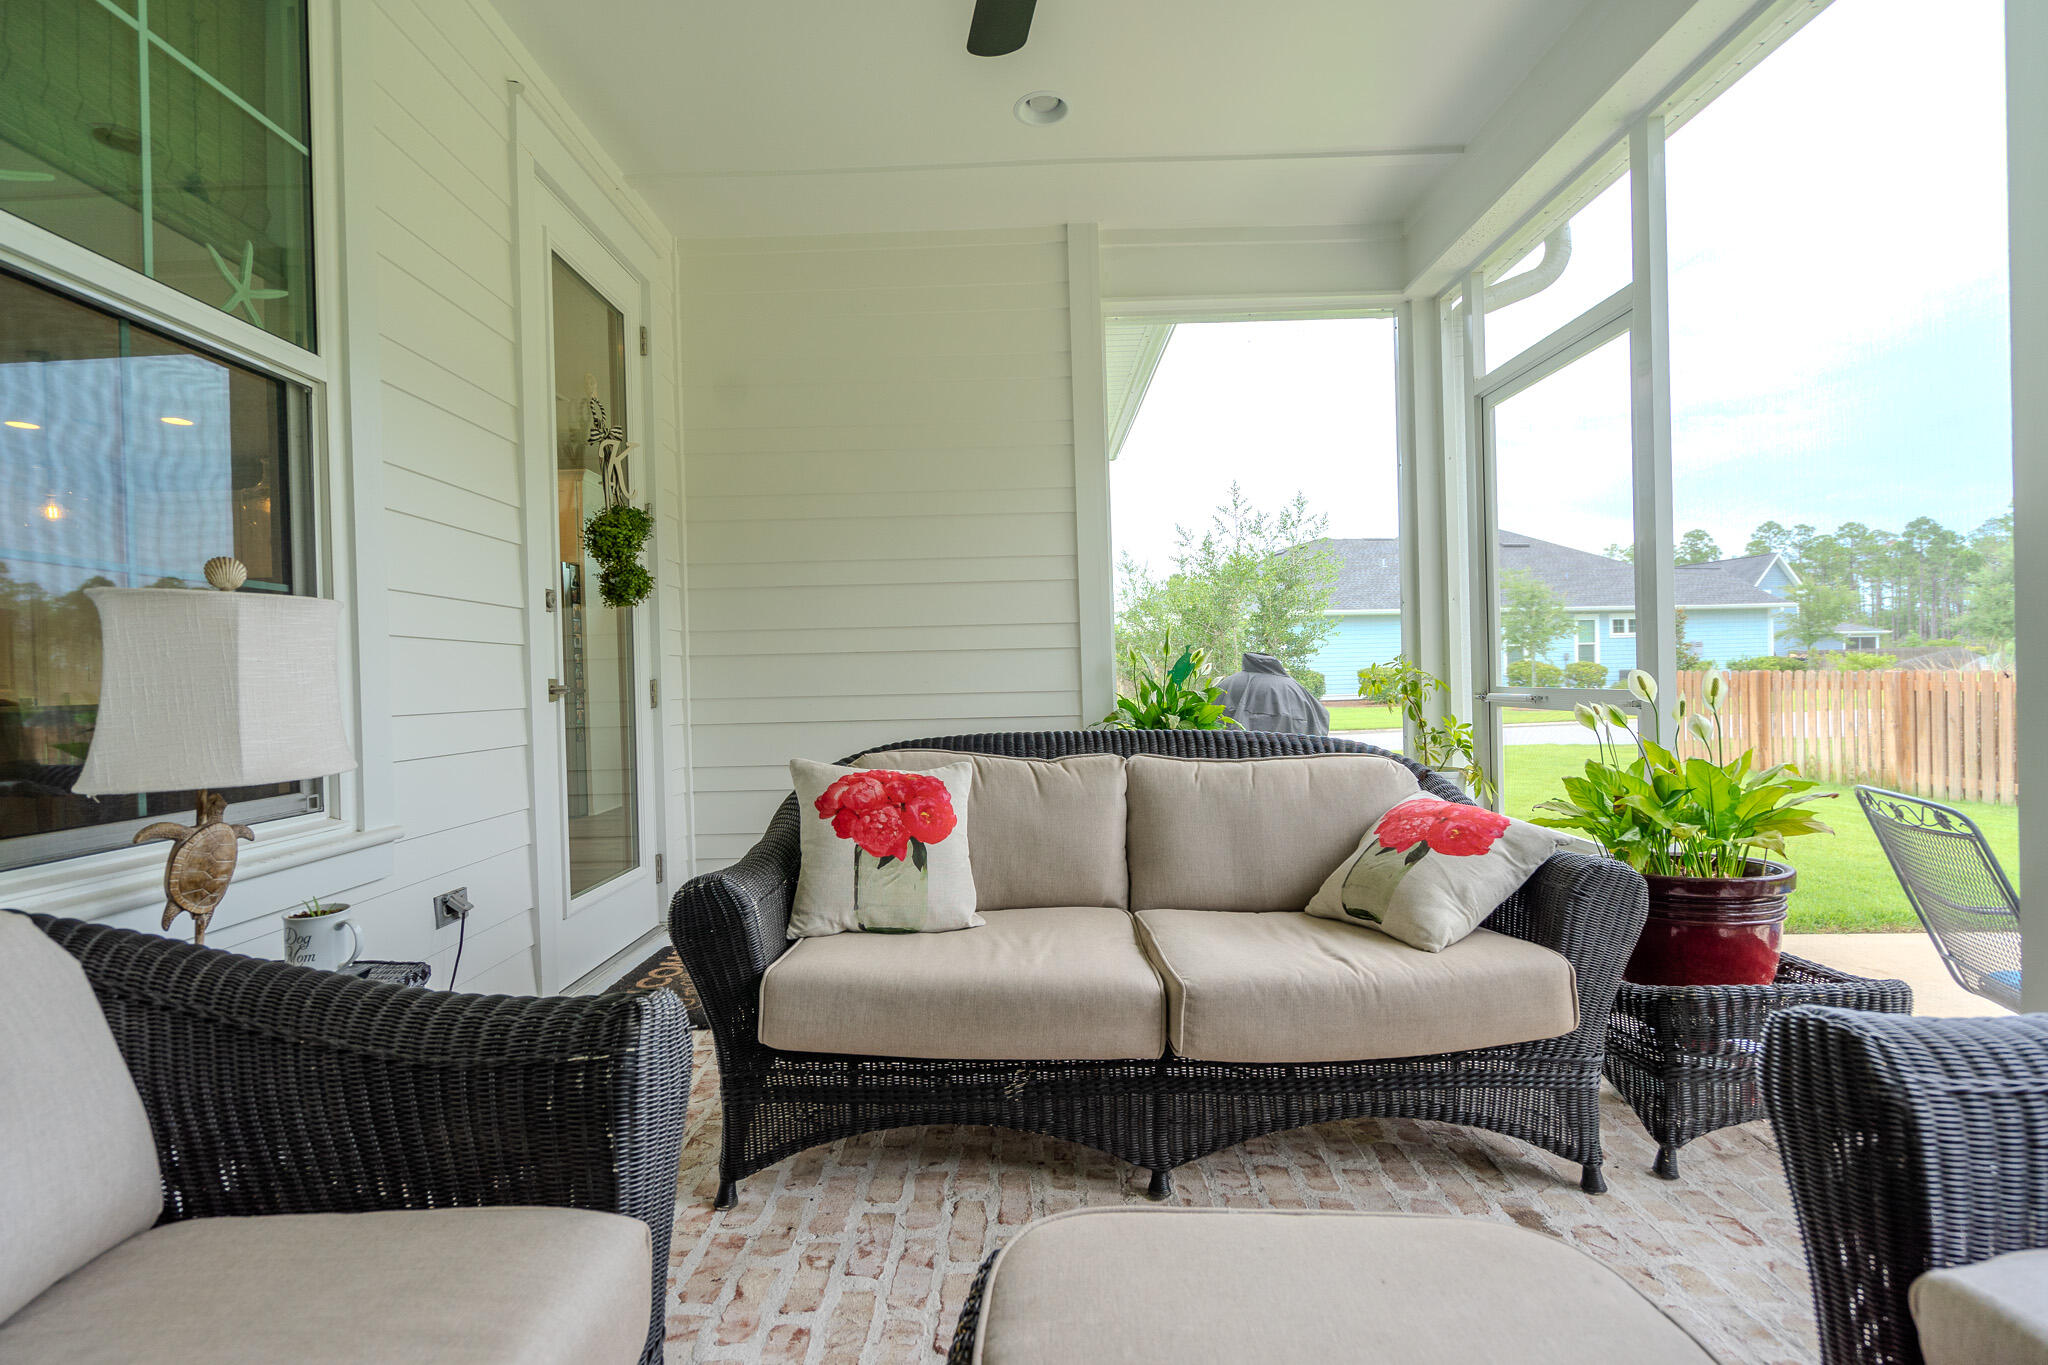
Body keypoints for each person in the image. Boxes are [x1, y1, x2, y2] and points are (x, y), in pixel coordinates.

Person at [1218, 652, 1329, 734]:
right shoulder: (1293, 688)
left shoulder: (1228, 684)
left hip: (1234, 758)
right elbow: (1321, 717)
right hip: (1287, 759)